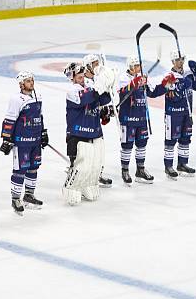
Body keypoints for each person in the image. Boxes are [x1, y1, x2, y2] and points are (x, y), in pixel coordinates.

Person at [62, 61, 113, 204]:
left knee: (95, 166)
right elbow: (84, 99)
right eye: (78, 76)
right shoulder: (71, 91)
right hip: (78, 135)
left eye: (82, 75)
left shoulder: (90, 87)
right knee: (82, 166)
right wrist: (98, 87)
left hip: (95, 133)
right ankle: (71, 187)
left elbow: (104, 98)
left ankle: (88, 185)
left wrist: (109, 85)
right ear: (72, 78)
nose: (82, 78)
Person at [0, 71, 46, 214]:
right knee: (20, 170)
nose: (31, 83)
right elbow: (10, 119)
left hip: (35, 140)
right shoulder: (16, 99)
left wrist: (43, 133)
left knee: (34, 167)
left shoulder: (38, 96)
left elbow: (40, 116)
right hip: (22, 142)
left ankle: (29, 195)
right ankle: (15, 199)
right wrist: (7, 138)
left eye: (32, 80)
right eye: (27, 81)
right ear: (21, 84)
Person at [117, 56, 167, 184]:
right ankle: (125, 170)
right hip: (128, 118)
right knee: (127, 145)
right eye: (136, 66)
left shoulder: (143, 78)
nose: (139, 68)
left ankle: (140, 170)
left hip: (141, 118)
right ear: (131, 67)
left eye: (139, 66)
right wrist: (134, 83)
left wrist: (165, 84)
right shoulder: (124, 78)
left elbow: (153, 92)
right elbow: (122, 93)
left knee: (142, 144)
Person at [161, 50, 196, 179]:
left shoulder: (187, 74)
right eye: (178, 59)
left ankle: (182, 164)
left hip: (187, 113)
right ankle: (168, 166)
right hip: (173, 114)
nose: (180, 62)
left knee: (185, 139)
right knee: (170, 141)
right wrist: (181, 85)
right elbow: (173, 96)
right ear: (173, 61)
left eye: (182, 59)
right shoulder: (168, 76)